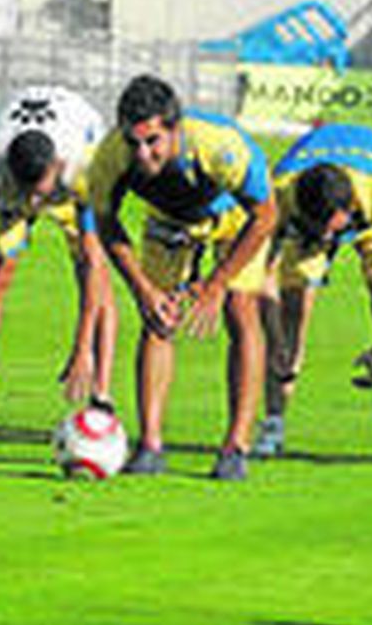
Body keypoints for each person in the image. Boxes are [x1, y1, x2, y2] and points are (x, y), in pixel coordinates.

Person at [87, 73, 278, 480]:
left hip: (234, 220)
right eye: (133, 142)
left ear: (174, 129)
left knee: (242, 311)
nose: (142, 154)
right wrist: (142, 288)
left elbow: (265, 217)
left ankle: (235, 448)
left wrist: (217, 284)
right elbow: (105, 224)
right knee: (157, 320)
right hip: (169, 221)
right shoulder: (110, 158)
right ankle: (151, 445)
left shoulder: (219, 148)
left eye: (152, 141)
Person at [0, 85, 117, 424]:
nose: (34, 204)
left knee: (99, 282)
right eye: (27, 193)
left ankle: (101, 398)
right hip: (16, 179)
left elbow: (93, 262)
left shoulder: (86, 168)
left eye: (39, 194)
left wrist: (82, 349)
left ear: (56, 166)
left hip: (75, 178)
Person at [256, 123, 372, 463]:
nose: (327, 241)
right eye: (319, 231)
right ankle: (273, 425)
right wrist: (275, 340)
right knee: (293, 307)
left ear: (347, 212)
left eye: (330, 230)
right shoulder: (281, 193)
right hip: (311, 202)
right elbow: (261, 272)